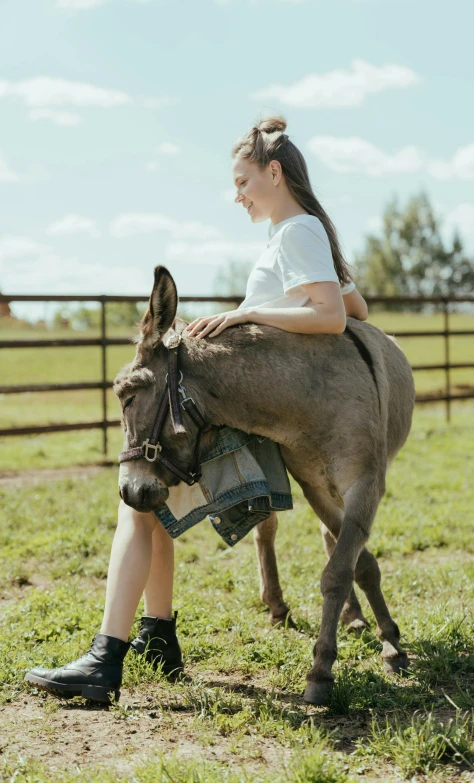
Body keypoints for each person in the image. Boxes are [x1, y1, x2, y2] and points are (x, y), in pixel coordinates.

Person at [24, 115, 368, 704]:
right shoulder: (295, 235)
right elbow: (355, 303)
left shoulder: (298, 231)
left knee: (135, 504)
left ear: (274, 172)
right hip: (247, 401)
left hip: (249, 407)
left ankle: (107, 657)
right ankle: (156, 637)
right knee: (148, 504)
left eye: (242, 181)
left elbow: (334, 318)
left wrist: (246, 316)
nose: (236, 195)